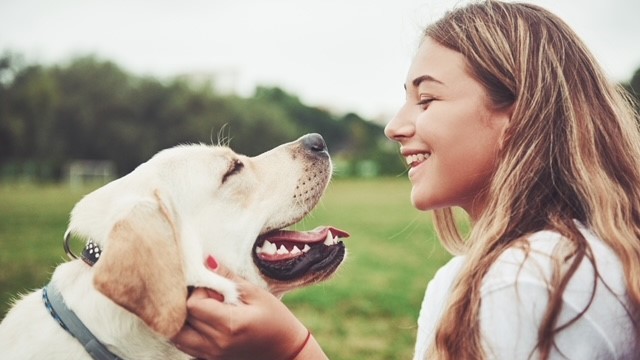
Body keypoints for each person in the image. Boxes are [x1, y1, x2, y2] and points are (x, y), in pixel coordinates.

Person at [171, 1, 640, 359]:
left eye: (427, 99)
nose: (395, 126)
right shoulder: (583, 255)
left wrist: (291, 349)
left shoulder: (524, 280)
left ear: (518, 118)